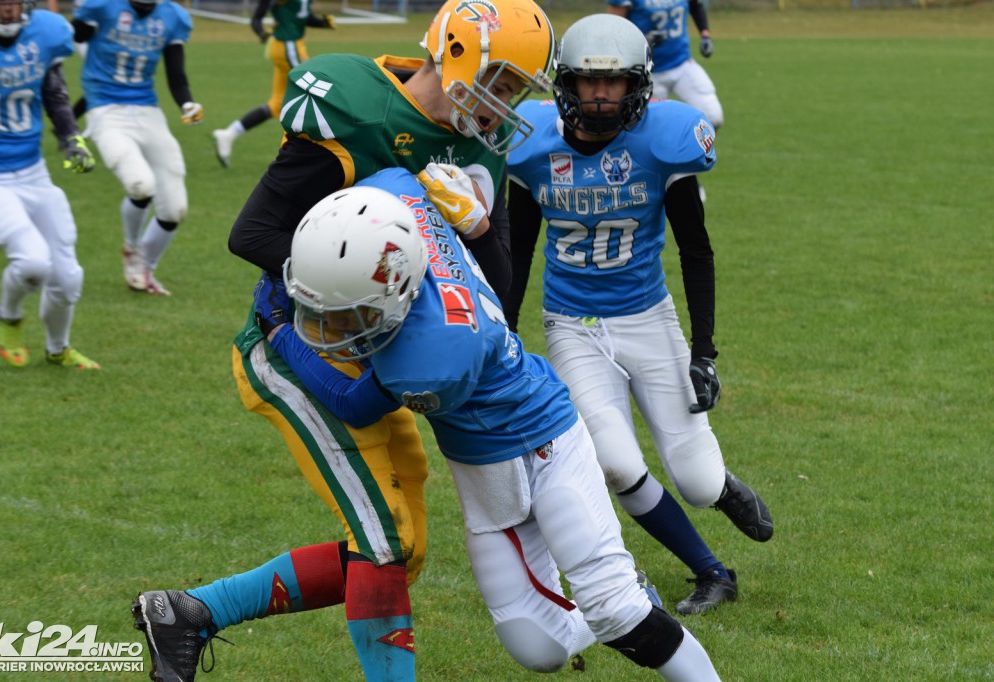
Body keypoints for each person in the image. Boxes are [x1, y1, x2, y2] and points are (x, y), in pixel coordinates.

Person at [130, 1, 556, 680]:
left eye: (517, 92)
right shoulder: (363, 109)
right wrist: (363, 289)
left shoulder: (478, 146)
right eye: (499, 82)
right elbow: (253, 234)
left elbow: (497, 295)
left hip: (377, 355)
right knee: (385, 541)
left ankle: (187, 613)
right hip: (295, 346)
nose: (503, 104)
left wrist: (475, 229)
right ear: (455, 55)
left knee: (403, 549)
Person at [269, 174, 723, 678]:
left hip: (544, 440)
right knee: (539, 648)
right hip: (484, 475)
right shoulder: (395, 192)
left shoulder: (429, 359)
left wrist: (281, 335)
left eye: (351, 315)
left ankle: (648, 621)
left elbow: (351, 404)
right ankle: (632, 600)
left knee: (615, 610)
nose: (335, 327)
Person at [503, 14, 774, 615]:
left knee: (697, 482)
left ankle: (721, 487)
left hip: (649, 318)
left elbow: (695, 250)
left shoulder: (663, 139)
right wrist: (502, 330)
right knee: (617, 463)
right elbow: (518, 250)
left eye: (615, 83)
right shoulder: (530, 145)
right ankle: (711, 572)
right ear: (564, 84)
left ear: (639, 86)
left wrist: (704, 352)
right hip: (572, 325)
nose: (601, 96)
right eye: (588, 82)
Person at [0, 0, 100, 370]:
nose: (8, 10)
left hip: (33, 171)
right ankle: (8, 316)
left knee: (68, 275)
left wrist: (70, 137)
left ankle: (58, 349)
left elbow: (53, 92)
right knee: (31, 263)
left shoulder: (44, 34)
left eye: (14, 2)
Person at [71, 0, 204, 296]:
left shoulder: (172, 16)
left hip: (147, 110)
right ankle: (133, 249)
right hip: (106, 110)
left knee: (174, 209)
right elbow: (75, 37)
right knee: (141, 185)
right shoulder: (104, 6)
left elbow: (175, 73)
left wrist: (187, 102)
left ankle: (146, 268)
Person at [211, 0, 335, 168]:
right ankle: (322, 154)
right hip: (287, 45)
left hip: (294, 45)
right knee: (316, 91)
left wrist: (321, 23)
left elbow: (300, 15)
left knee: (277, 105)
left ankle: (229, 134)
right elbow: (263, 11)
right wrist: (260, 29)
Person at [607, 0, 722, 130]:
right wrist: (643, 39)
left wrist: (705, 34)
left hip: (681, 63)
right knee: (650, 129)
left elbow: (695, 5)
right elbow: (612, 31)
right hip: (647, 73)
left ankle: (686, 142)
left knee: (713, 116)